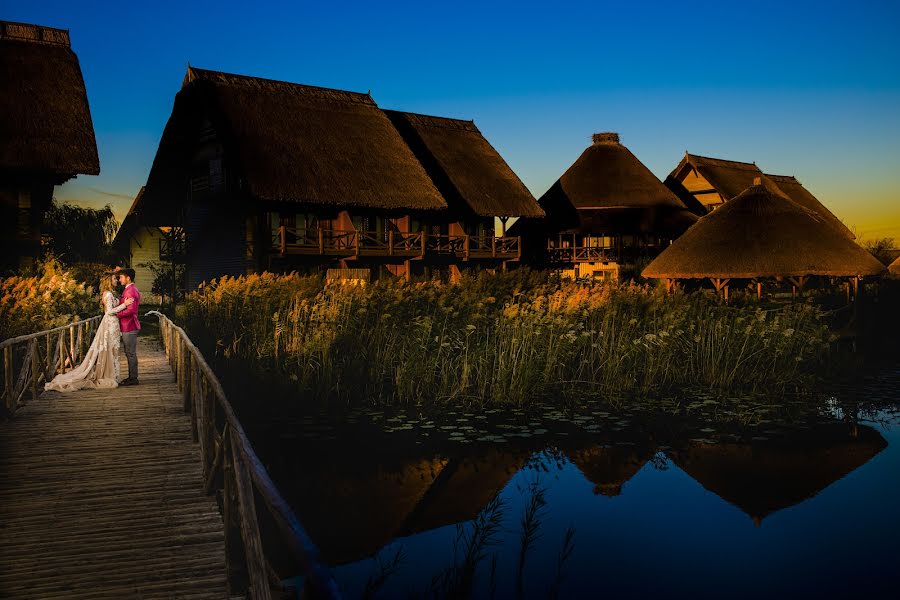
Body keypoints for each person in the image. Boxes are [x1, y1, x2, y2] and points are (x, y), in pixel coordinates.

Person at [44, 272, 134, 392]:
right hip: (110, 324)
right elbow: (109, 312)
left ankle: (115, 376)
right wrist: (124, 305)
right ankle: (113, 376)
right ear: (108, 281)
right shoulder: (107, 294)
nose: (116, 280)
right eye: (114, 279)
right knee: (112, 349)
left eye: (116, 279)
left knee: (114, 350)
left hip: (114, 324)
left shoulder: (111, 293)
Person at [117, 268, 141, 386]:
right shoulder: (130, 289)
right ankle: (132, 377)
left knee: (130, 352)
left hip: (129, 325)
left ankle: (133, 378)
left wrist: (117, 314)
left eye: (121, 277)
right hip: (129, 325)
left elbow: (131, 310)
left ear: (128, 278)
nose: (119, 279)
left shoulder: (130, 291)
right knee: (129, 352)